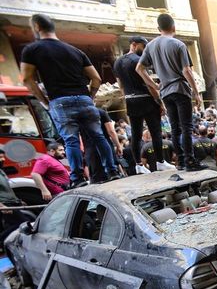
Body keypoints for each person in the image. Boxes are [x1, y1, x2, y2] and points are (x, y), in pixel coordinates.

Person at [20, 13, 119, 188]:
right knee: (98, 136)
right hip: (84, 99)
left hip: (60, 100)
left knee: (71, 141)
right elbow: (96, 79)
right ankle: (112, 171)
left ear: (36, 27)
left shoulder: (32, 50)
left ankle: (78, 178)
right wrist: (90, 97)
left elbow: (27, 79)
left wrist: (44, 102)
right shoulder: (75, 51)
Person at [136, 13, 205, 172]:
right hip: (180, 89)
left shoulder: (150, 46)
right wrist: (196, 92)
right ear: (174, 27)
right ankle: (190, 160)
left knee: (175, 128)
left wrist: (155, 85)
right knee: (186, 127)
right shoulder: (178, 44)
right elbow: (186, 70)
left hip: (165, 92)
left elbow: (139, 69)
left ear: (158, 28)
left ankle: (180, 161)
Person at [113, 36, 174, 175]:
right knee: (156, 132)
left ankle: (139, 165)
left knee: (135, 134)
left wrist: (128, 98)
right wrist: (159, 101)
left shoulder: (117, 62)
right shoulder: (137, 60)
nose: (145, 49)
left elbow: (121, 86)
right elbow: (148, 83)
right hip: (146, 99)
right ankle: (160, 162)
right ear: (134, 45)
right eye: (143, 46)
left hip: (130, 100)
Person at [0, 150, 30, 246]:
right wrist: (2, 206)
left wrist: (18, 200)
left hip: (10, 203)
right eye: (0, 157)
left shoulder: (1, 171)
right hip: (4, 204)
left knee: (9, 225)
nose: (3, 159)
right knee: (22, 223)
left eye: (3, 157)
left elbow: (7, 188)